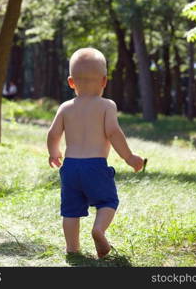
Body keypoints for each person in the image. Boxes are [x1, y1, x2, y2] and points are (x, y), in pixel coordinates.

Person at [47, 47, 144, 258]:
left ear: (71, 82)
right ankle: (98, 229)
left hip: (70, 167)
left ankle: (72, 249)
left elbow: (53, 134)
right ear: (104, 81)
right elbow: (113, 132)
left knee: (71, 211)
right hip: (95, 166)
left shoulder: (65, 107)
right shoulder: (107, 106)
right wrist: (129, 157)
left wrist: (54, 153)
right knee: (107, 202)